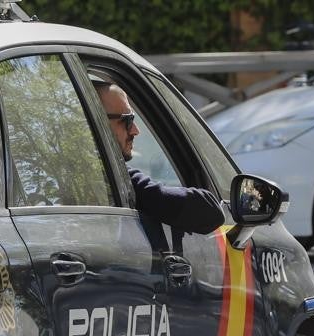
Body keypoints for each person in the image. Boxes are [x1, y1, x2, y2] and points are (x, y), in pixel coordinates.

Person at [95, 82, 225, 233]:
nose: (135, 131)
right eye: (127, 120)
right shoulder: (111, 177)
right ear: (94, 122)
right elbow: (210, 212)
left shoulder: (73, 174)